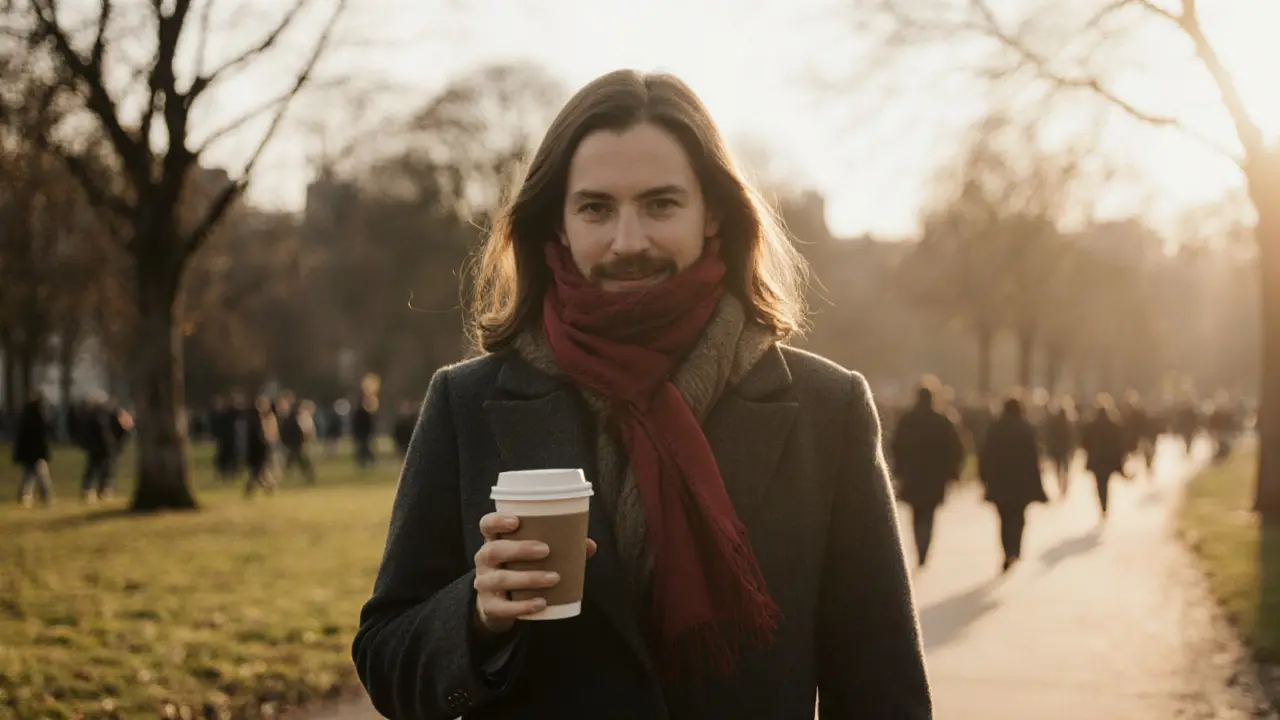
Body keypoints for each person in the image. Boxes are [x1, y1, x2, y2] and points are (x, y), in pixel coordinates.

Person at [352, 69, 931, 719]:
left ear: (713, 213)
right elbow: (385, 659)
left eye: (661, 204)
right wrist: (476, 615)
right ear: (559, 225)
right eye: (596, 208)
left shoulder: (829, 411)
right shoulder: (465, 404)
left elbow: (883, 691)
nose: (629, 241)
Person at [891, 380, 965, 567]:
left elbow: (896, 446)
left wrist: (898, 469)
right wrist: (952, 472)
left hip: (913, 474)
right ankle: (924, 546)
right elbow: (955, 449)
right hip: (935, 476)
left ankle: (919, 545)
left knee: (916, 512)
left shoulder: (907, 420)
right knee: (929, 513)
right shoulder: (942, 420)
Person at [979, 397, 1048, 572]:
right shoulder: (1026, 429)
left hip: (1000, 481)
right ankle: (1014, 549)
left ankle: (1007, 550)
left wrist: (984, 477)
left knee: (1003, 518)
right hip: (1021, 482)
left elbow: (985, 454)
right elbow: (1033, 459)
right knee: (1018, 516)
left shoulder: (995, 428)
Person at [1080, 395, 1127, 521]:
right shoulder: (1114, 425)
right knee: (1106, 483)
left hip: (1096, 461)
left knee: (1099, 484)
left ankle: (1102, 505)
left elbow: (1084, 443)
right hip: (1108, 460)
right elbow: (1119, 444)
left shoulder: (1091, 426)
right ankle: (1105, 505)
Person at [13, 390, 54, 507]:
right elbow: (43, 435)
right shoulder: (40, 414)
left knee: (28, 475)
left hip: (28, 452)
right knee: (41, 475)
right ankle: (45, 496)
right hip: (36, 451)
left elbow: (21, 436)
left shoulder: (26, 414)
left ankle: (25, 496)